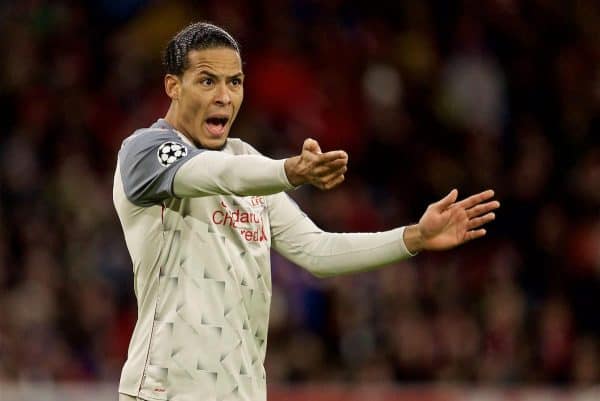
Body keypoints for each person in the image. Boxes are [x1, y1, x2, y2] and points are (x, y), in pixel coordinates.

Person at [113, 22, 500, 401]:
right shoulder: (145, 152)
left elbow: (317, 250)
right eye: (207, 81)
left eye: (235, 82)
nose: (224, 96)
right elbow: (211, 173)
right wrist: (289, 171)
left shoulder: (246, 160)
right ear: (173, 87)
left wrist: (414, 237)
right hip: (163, 392)